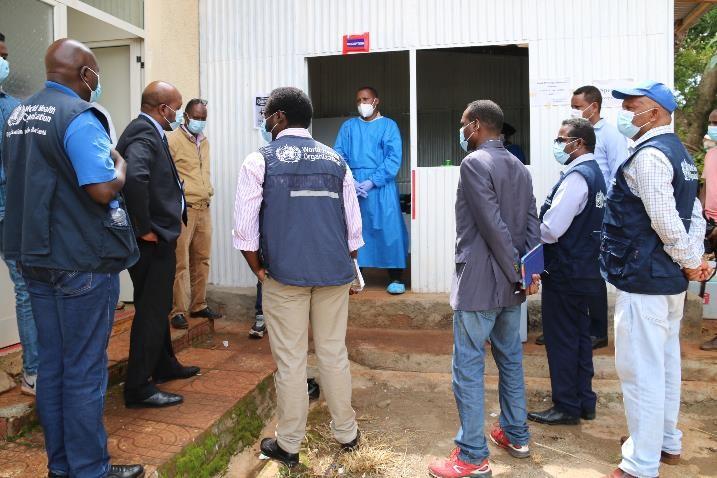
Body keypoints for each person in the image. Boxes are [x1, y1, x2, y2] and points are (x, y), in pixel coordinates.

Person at [1, 38, 143, 478]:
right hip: (79, 261)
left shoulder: (19, 114)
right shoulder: (79, 116)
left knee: (55, 367)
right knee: (83, 371)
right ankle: (90, 470)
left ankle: (61, 466)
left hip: (34, 256)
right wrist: (120, 163)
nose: (97, 81)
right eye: (96, 72)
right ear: (85, 74)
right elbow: (100, 188)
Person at [233, 87, 362, 468]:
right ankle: (348, 434)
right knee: (333, 353)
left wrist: (257, 269)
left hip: (283, 276)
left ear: (279, 118)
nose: (264, 122)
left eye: (267, 116)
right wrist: (348, 269)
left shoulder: (259, 161)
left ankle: (289, 445)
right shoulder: (337, 160)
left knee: (291, 361)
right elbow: (353, 230)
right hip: (334, 273)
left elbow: (244, 230)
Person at [601, 82, 709, 478]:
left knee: (640, 371)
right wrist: (693, 261)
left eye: (634, 107)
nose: (626, 114)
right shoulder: (680, 154)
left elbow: (666, 220)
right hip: (667, 282)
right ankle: (665, 441)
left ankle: (639, 464)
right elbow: (693, 214)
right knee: (664, 364)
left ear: (658, 113)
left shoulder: (649, 157)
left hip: (644, 279)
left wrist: (688, 262)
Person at [428, 100, 540, 478]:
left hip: (480, 281)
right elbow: (531, 222)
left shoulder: (474, 163)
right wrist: (529, 269)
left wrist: (514, 268)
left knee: (468, 366)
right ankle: (516, 434)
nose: (461, 132)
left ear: (476, 125)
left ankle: (473, 456)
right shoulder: (519, 168)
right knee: (510, 358)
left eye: (463, 124)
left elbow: (491, 225)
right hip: (512, 283)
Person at [118, 81, 199, 409]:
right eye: (176, 108)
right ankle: (138, 387)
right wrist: (144, 227)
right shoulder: (143, 133)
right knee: (151, 311)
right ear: (162, 109)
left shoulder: (149, 130)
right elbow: (135, 177)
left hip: (158, 237)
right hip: (151, 241)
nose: (178, 114)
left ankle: (164, 363)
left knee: (158, 304)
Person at [527, 118, 606, 426]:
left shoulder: (577, 177)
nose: (557, 145)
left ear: (579, 143)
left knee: (562, 339)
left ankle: (566, 406)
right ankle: (585, 401)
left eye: (562, 140)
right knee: (581, 338)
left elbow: (552, 229)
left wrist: (530, 229)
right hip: (585, 270)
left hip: (565, 271)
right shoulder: (596, 174)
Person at [334, 86, 408, 294]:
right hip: (355, 188)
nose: (361, 104)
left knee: (389, 229)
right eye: (358, 100)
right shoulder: (348, 127)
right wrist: (352, 180)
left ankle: (395, 277)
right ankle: (357, 276)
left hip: (382, 188)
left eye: (365, 99)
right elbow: (339, 156)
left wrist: (372, 181)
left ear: (376, 101)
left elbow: (393, 159)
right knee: (356, 229)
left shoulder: (388, 126)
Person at [0, 32, 39, 397]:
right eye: (0, 55)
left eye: (6, 55)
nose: (5, 63)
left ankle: (33, 372)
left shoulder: (14, 107)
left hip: (10, 209)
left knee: (26, 289)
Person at [168, 98, 222, 330]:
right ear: (186, 116)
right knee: (180, 263)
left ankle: (199, 304)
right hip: (183, 210)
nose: (200, 122)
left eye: (204, 118)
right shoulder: (172, 140)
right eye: (197, 118)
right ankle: (177, 310)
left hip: (204, 207)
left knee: (202, 259)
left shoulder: (204, 141)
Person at [699, 107, 717, 351]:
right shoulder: (711, 154)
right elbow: (705, 188)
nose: (713, 126)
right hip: (711, 224)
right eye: (711, 122)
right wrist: (701, 220)